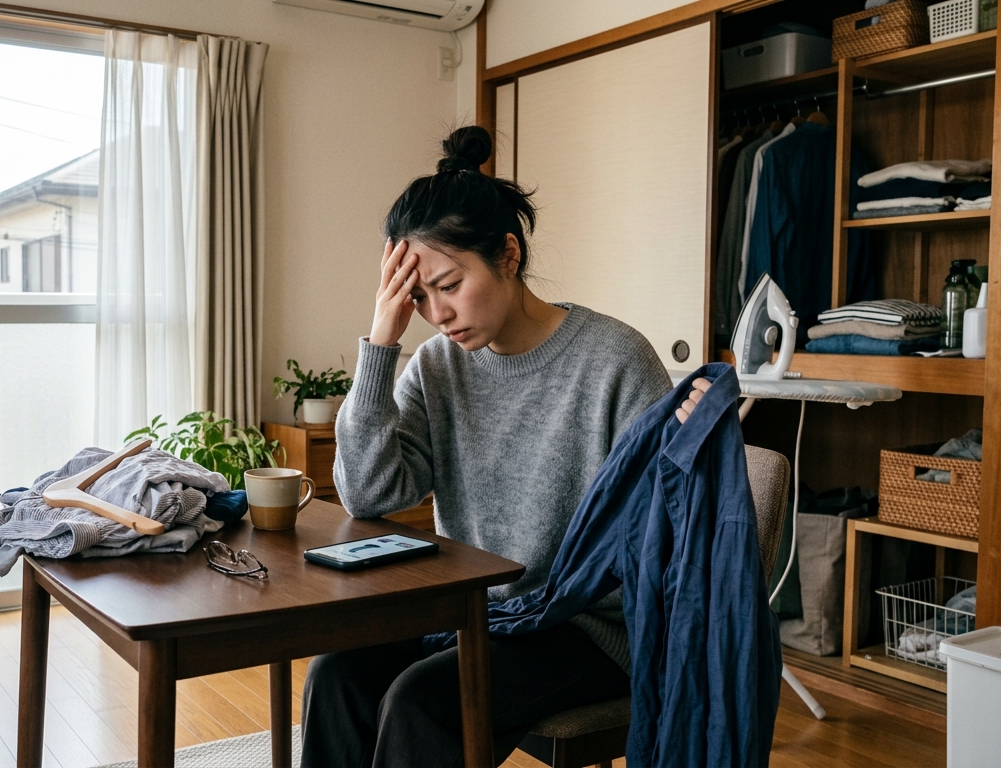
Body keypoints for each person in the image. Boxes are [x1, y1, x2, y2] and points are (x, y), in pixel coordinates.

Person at [300, 125, 709, 768]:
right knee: (337, 675)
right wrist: (381, 343)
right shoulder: (437, 366)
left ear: (508, 255)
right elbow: (371, 492)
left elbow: (667, 526)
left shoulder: (614, 359)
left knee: (421, 701)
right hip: (476, 612)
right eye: (417, 295)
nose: (437, 313)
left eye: (449, 283)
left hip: (588, 627)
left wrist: (688, 443)